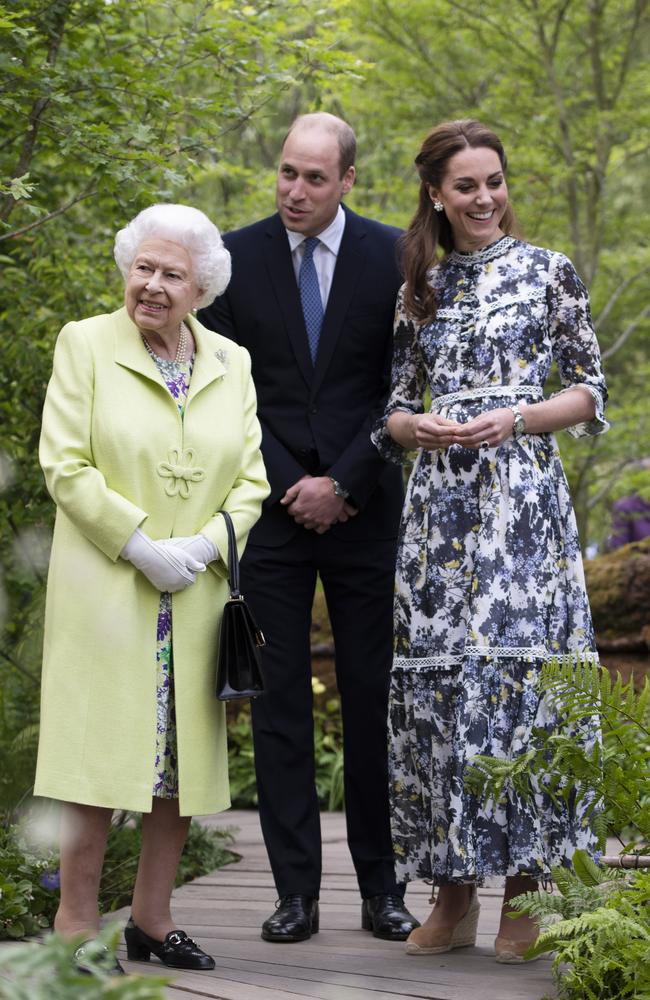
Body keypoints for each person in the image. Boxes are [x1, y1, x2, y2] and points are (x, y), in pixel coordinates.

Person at [371, 119, 608, 964]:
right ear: (436, 192)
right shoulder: (418, 288)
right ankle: (453, 891)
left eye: (494, 182)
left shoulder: (550, 273)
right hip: (440, 518)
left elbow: (587, 390)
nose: (484, 198)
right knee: (443, 691)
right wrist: (415, 427)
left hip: (522, 506)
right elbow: (392, 408)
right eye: (466, 185)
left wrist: (517, 418)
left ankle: (526, 887)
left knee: (524, 683)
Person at [199, 112, 418, 943]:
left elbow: (404, 383)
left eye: (314, 178)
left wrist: (348, 480)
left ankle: (382, 891)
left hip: (367, 512)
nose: (294, 191)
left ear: (349, 181)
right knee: (279, 707)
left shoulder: (397, 257)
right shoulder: (233, 258)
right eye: (287, 173)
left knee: (372, 703)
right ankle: (295, 895)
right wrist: (298, 485)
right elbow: (224, 392)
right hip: (274, 517)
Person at [35, 204, 269, 974]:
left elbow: (252, 478)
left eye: (173, 274)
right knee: (95, 762)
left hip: (194, 595)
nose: (154, 286)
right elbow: (65, 464)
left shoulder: (231, 361)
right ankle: (74, 925)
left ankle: (152, 917)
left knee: (178, 765)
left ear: (200, 287)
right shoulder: (87, 344)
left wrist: (203, 547)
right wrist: (138, 544)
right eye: (144, 267)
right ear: (125, 268)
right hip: (110, 588)